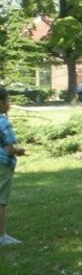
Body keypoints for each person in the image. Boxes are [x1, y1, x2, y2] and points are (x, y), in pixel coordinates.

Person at [0, 88, 26, 246]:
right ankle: (1, 236)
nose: (9, 104)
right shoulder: (4, 122)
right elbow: (10, 149)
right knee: (1, 201)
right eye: (8, 101)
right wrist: (20, 151)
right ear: (1, 103)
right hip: (2, 166)